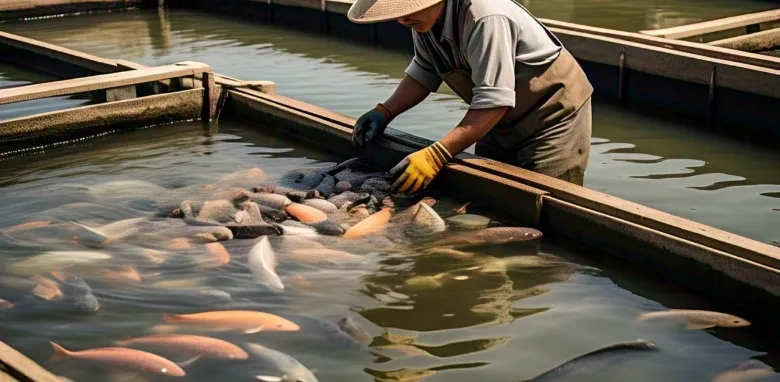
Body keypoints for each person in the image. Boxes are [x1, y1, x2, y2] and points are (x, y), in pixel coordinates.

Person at [348, 0, 594, 193]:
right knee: (491, 193)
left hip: (552, 117)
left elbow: (493, 101)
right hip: (499, 119)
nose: (402, 18)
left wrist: (437, 154)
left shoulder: (486, 16)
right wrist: (385, 111)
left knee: (544, 198)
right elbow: (425, 70)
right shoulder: (425, 19)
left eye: (408, 6)